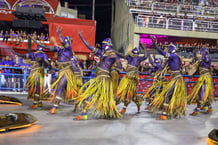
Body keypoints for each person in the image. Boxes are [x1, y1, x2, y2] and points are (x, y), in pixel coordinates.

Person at [75, 32, 122, 120]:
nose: (102, 46)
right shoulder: (102, 53)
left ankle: (84, 113)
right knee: (100, 96)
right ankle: (111, 112)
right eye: (102, 44)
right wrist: (82, 38)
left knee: (90, 94)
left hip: (103, 78)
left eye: (104, 44)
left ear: (109, 45)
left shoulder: (112, 55)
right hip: (102, 78)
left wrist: (114, 65)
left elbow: (120, 67)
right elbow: (89, 46)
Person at [32, 26, 77, 114]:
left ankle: (55, 107)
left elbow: (63, 41)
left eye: (66, 41)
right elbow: (47, 47)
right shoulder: (59, 49)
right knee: (68, 90)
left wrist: (59, 33)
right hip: (61, 72)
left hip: (67, 72)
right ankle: (77, 102)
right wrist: (36, 42)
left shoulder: (69, 49)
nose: (64, 41)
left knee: (60, 87)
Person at [151, 41, 187, 120]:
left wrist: (156, 46)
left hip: (176, 79)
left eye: (170, 47)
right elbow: (163, 67)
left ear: (174, 48)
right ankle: (173, 111)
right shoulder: (172, 58)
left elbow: (163, 53)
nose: (168, 48)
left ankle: (164, 114)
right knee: (169, 95)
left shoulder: (174, 56)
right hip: (175, 79)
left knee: (166, 94)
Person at [115, 43, 148, 114]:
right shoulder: (129, 57)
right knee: (123, 92)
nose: (134, 56)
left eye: (135, 55)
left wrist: (144, 48)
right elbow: (121, 55)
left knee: (130, 93)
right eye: (133, 54)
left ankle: (125, 107)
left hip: (133, 79)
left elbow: (145, 56)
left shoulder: (138, 59)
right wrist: (115, 52)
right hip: (127, 78)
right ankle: (116, 104)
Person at [188, 47, 214, 115]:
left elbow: (205, 60)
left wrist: (200, 55)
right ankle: (209, 107)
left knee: (202, 92)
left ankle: (198, 109)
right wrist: (194, 55)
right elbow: (198, 66)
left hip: (205, 77)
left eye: (201, 53)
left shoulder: (207, 58)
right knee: (202, 92)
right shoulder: (202, 61)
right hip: (203, 77)